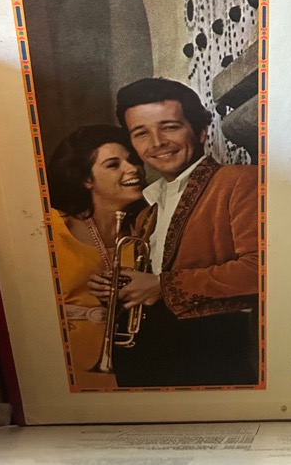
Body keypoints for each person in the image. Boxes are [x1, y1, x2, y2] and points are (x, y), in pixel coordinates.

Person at [89, 77, 259, 388]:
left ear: (201, 130)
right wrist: (121, 287)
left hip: (213, 351)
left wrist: (162, 287)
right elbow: (151, 282)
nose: (156, 142)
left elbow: (259, 269)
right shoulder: (147, 210)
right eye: (141, 133)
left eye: (169, 127)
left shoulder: (240, 180)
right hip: (154, 353)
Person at [46, 125, 146, 390]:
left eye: (133, 160)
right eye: (113, 165)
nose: (133, 169)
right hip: (64, 364)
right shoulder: (53, 227)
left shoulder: (144, 231)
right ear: (86, 179)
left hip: (129, 366)